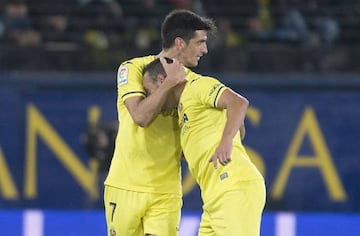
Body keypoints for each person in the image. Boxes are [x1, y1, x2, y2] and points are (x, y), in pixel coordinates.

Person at [103, 9, 217, 236]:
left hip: (166, 192)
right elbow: (140, 117)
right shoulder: (133, 68)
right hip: (125, 184)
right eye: (200, 42)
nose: (205, 49)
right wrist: (170, 83)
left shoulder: (196, 84)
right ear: (179, 43)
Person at [142, 57, 266, 236]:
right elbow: (240, 129)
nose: (148, 97)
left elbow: (239, 103)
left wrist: (226, 141)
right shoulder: (184, 109)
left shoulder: (197, 86)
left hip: (233, 187)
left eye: (148, 91)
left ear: (162, 80)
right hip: (213, 198)